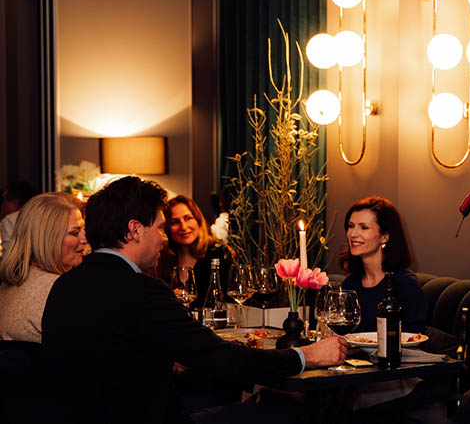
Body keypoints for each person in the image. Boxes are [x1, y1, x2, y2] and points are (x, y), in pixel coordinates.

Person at [40, 176, 347, 424]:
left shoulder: (65, 285)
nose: (164, 238)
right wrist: (308, 355)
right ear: (134, 230)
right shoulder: (143, 291)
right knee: (291, 411)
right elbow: (227, 360)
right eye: (160, 227)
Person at [0, 193, 86, 342]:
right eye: (75, 233)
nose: (84, 239)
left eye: (83, 230)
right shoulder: (60, 289)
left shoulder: (10, 282)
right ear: (48, 239)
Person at [339, 197, 427, 334]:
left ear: (384, 236)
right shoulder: (350, 284)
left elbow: (414, 337)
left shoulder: (405, 284)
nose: (353, 234)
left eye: (364, 227)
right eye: (351, 226)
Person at [155, 195, 231, 309]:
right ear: (167, 228)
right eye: (175, 222)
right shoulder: (161, 261)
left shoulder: (219, 254)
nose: (184, 227)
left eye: (188, 218)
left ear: (198, 220)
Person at [0, 181, 39, 255]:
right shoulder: (41, 215)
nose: (2, 207)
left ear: (16, 203)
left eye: (5, 201)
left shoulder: (8, 220)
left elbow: (8, 254)